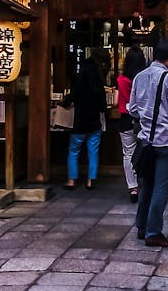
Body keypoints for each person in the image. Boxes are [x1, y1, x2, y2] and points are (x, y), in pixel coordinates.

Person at [129, 40, 168, 248]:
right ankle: (154, 232)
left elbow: (133, 109)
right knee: (161, 188)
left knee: (147, 185)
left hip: (145, 141)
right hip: (165, 142)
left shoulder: (139, 76)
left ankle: (142, 226)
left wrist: (147, 122)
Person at [62, 57, 107, 190]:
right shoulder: (99, 86)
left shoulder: (78, 85)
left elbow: (67, 102)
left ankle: (71, 180)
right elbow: (103, 107)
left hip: (79, 125)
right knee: (93, 152)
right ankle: (90, 180)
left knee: (74, 151)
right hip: (94, 125)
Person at [115, 46, 147, 203]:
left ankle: (133, 187)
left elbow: (116, 101)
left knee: (128, 153)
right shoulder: (145, 79)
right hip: (143, 120)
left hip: (125, 120)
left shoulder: (121, 80)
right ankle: (146, 180)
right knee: (147, 150)